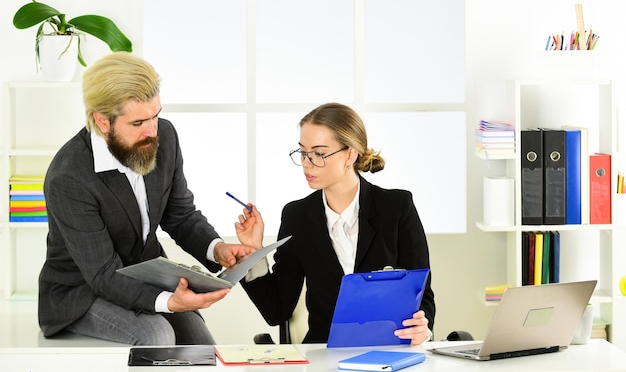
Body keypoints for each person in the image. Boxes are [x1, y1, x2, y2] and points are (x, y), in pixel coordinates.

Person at [38, 52, 254, 345]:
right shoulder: (69, 177)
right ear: (102, 121)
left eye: (156, 115)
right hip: (81, 292)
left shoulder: (164, 135)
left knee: (202, 343)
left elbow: (180, 214)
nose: (152, 131)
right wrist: (168, 302)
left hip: (145, 276)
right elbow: (102, 273)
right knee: (158, 334)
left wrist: (216, 249)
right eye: (138, 122)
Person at [235, 102, 435, 345]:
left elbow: (421, 294)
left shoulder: (396, 207)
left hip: (391, 349)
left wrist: (423, 330)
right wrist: (255, 251)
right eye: (303, 152)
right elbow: (277, 310)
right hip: (325, 354)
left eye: (319, 153)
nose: (307, 163)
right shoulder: (297, 216)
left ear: (350, 154)